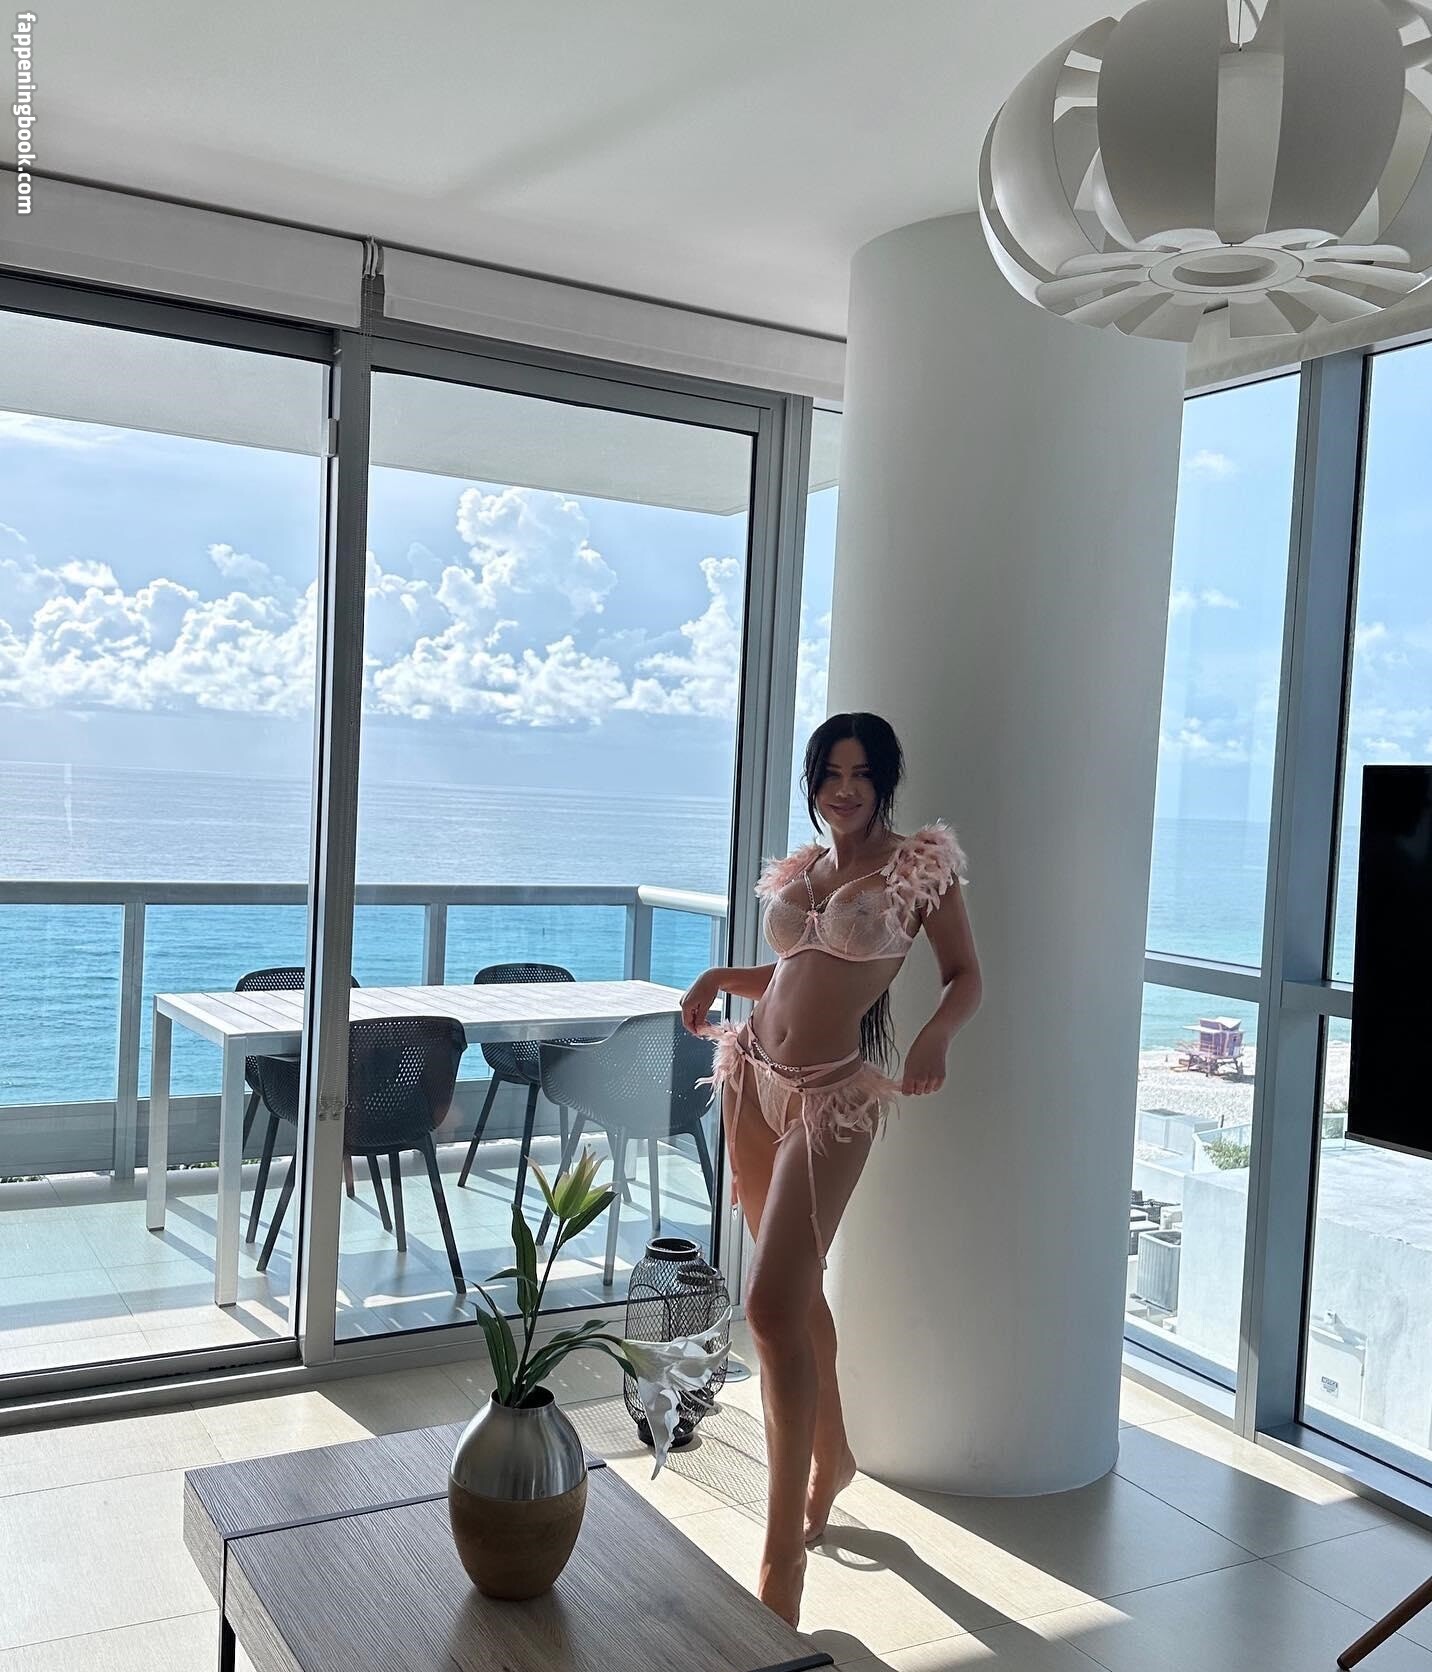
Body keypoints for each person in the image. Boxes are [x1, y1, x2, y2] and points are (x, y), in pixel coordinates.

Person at [680, 711, 982, 1628]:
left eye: (860, 773)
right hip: (749, 1076)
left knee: (770, 1308)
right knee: (795, 1290)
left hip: (831, 1101)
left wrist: (934, 1036)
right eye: (828, 773)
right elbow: (796, 974)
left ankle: (781, 1564)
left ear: (884, 779)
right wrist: (722, 980)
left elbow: (965, 974)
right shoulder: (803, 870)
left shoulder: (918, 869)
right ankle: (835, 1453)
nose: (842, 789)